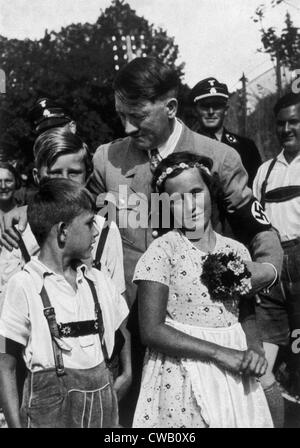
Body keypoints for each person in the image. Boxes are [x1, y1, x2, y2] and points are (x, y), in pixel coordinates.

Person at [0, 57, 282, 425]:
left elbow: (260, 231)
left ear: (170, 108)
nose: (128, 126)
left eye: (138, 115)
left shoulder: (219, 157)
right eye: (121, 116)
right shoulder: (108, 159)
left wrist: (263, 271)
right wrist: (26, 209)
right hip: (133, 327)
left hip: (206, 326)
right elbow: (70, 206)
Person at [132, 151, 273, 428]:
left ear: (211, 191)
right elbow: (151, 330)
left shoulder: (235, 249)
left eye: (196, 192)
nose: (190, 206)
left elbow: (246, 314)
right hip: (182, 373)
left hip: (234, 373)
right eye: (176, 200)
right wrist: (221, 354)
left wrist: (254, 349)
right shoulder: (163, 251)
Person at [0, 129, 131, 408]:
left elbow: (118, 311)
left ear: (87, 177)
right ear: (37, 178)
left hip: (100, 370)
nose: (65, 181)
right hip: (39, 379)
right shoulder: (16, 235)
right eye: (55, 173)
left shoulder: (105, 231)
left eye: (74, 172)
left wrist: (127, 371)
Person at [253, 91, 300, 426]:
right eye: (281, 123)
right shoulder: (265, 171)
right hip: (272, 264)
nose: (286, 129)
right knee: (263, 361)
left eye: (294, 121)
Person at [190, 77, 262, 187]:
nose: (211, 112)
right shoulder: (187, 146)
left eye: (217, 106)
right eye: (205, 106)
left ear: (226, 110)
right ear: (195, 110)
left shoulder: (246, 147)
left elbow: (255, 188)